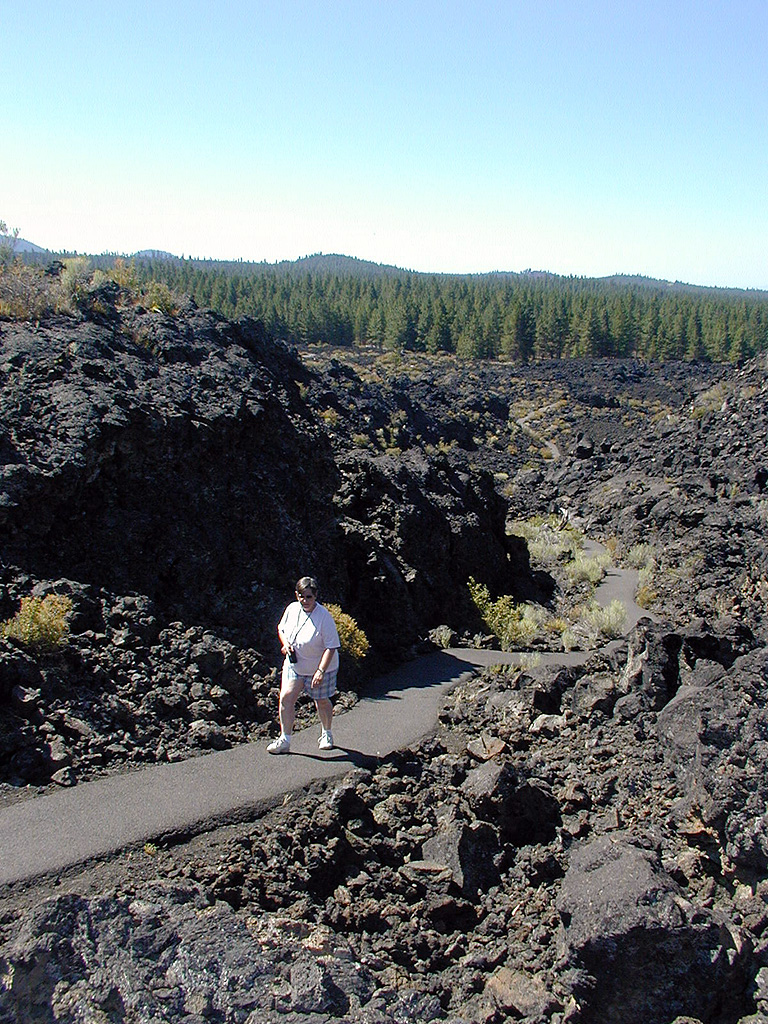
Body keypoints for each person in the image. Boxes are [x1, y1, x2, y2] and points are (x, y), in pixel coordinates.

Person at [267, 576, 341, 754]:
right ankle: (285, 739)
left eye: (309, 597)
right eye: (301, 596)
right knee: (286, 698)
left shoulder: (324, 617)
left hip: (321, 667)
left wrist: (320, 671)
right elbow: (281, 628)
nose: (305, 600)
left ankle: (327, 732)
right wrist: (285, 644)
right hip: (296, 666)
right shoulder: (292, 609)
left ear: (316, 596)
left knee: (321, 701)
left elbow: (331, 647)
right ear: (296, 595)